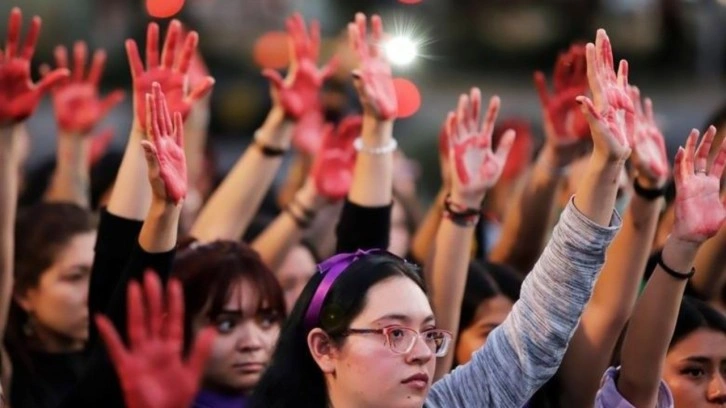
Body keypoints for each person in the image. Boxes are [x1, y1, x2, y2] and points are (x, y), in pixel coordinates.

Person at [596, 125, 726, 408]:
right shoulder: (637, 389)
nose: (720, 390)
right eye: (694, 371)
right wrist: (683, 244)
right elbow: (637, 385)